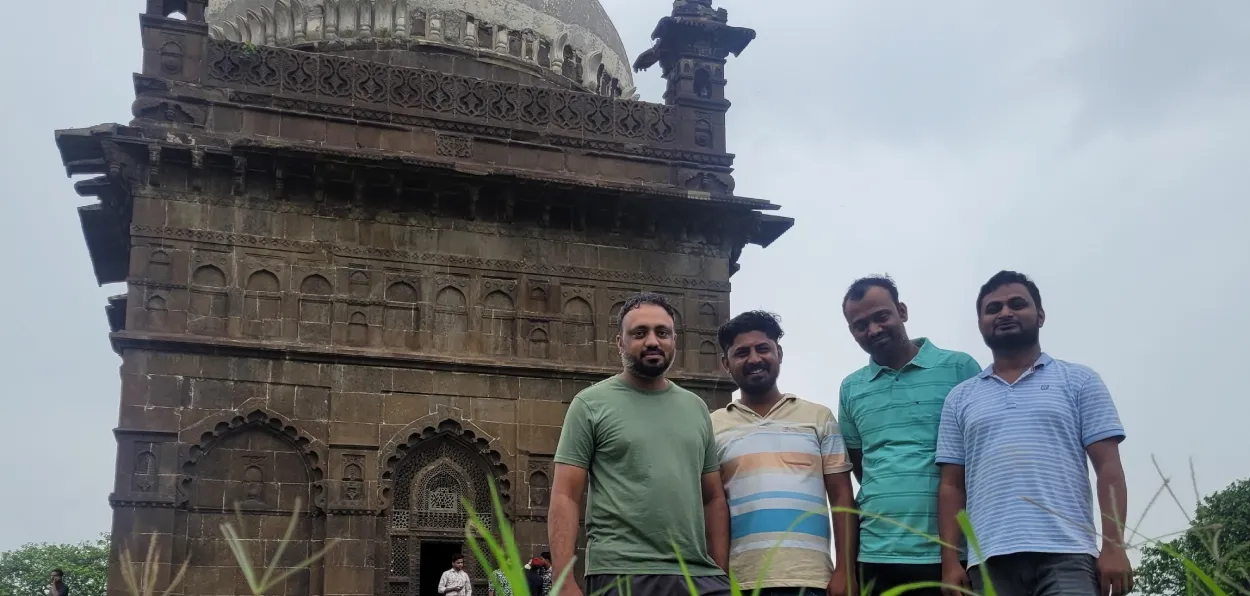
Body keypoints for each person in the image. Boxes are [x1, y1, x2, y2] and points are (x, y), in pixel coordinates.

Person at [936, 271, 1132, 596]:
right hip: (987, 561)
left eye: (1017, 304)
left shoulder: (1079, 381)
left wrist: (1114, 546)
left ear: (1040, 315)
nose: (1005, 313)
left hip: (1068, 554)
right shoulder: (961, 397)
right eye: (993, 308)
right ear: (981, 322)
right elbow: (951, 485)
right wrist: (949, 563)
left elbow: (1109, 468)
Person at [548, 292, 732, 596]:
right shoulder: (591, 404)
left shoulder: (696, 408)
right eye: (639, 333)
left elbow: (713, 498)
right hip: (622, 572)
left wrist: (721, 572)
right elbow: (566, 494)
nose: (652, 341)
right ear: (620, 342)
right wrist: (563, 579)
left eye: (662, 332)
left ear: (674, 340)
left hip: (698, 574)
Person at [837, 277, 981, 596]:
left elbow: (983, 456)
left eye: (881, 316)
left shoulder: (960, 368)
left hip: (951, 555)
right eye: (860, 325)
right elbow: (861, 466)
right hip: (875, 553)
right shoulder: (851, 388)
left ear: (901, 311)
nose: (873, 330)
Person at [711, 311, 858, 596]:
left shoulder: (818, 417)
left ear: (778, 353)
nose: (754, 359)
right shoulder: (712, 426)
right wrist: (718, 579)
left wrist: (845, 571)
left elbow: (841, 497)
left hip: (813, 580)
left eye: (763, 348)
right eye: (742, 352)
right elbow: (711, 505)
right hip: (741, 583)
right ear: (726, 364)